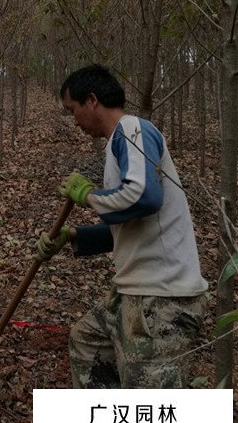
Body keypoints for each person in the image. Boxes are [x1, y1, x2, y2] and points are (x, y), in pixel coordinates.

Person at [36, 64, 208, 389]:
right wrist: (72, 236)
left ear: (92, 100)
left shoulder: (132, 129)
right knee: (87, 344)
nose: (74, 121)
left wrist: (88, 196)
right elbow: (128, 225)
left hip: (161, 298)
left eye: (73, 110)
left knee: (152, 408)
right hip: (132, 293)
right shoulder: (117, 146)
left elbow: (144, 197)